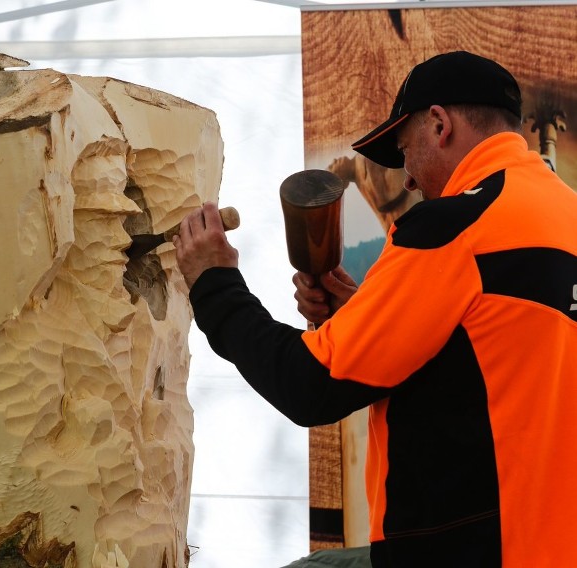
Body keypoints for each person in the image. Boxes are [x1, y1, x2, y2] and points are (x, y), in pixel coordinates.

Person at [172, 51, 577, 567]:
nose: (407, 179)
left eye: (405, 151)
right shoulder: (564, 215)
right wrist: (368, 315)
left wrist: (215, 283)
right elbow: (496, 363)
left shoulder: (453, 227)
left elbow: (309, 386)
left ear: (439, 124)